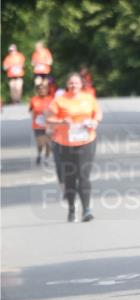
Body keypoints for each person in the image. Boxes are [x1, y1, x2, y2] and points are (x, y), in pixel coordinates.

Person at [47, 72, 102, 222]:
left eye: (76, 83)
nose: (73, 85)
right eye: (71, 83)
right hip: (65, 142)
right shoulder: (59, 100)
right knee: (70, 176)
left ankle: (86, 210)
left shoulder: (88, 98)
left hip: (87, 140)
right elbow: (49, 119)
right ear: (67, 85)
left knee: (83, 175)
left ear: (81, 84)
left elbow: (98, 113)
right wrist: (62, 122)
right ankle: (71, 208)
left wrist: (95, 122)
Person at [28, 80, 55, 165]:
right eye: (39, 89)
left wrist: (49, 114)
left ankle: (47, 158)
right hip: (38, 125)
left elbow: (55, 111)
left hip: (49, 125)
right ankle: (39, 154)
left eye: (44, 89)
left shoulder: (51, 99)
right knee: (41, 143)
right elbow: (30, 110)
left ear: (47, 90)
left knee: (48, 143)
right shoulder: (34, 100)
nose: (42, 90)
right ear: (37, 90)